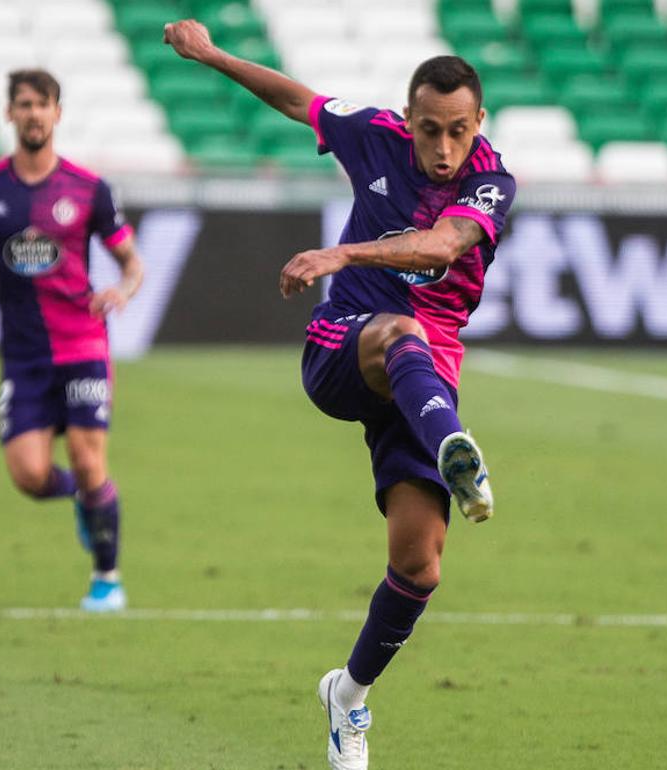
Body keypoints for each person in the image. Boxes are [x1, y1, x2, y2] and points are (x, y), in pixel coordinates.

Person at [164, 19, 516, 770]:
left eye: (458, 131)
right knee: (400, 332)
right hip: (344, 345)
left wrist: (342, 251)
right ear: (408, 117)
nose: (444, 147)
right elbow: (299, 101)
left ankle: (347, 695)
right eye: (430, 129)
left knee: (419, 565)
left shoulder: (491, 180)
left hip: (425, 380)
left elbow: (445, 244)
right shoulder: (374, 134)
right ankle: (455, 449)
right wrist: (212, 54)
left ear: (479, 122)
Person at [0, 69, 144, 613]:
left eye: (42, 104)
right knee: (30, 476)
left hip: (82, 345)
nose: (33, 113)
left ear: (57, 113)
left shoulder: (88, 188)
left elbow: (132, 262)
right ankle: (87, 499)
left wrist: (123, 290)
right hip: (23, 355)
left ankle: (106, 579)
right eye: (25, 104)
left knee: (88, 458)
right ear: (9, 113)